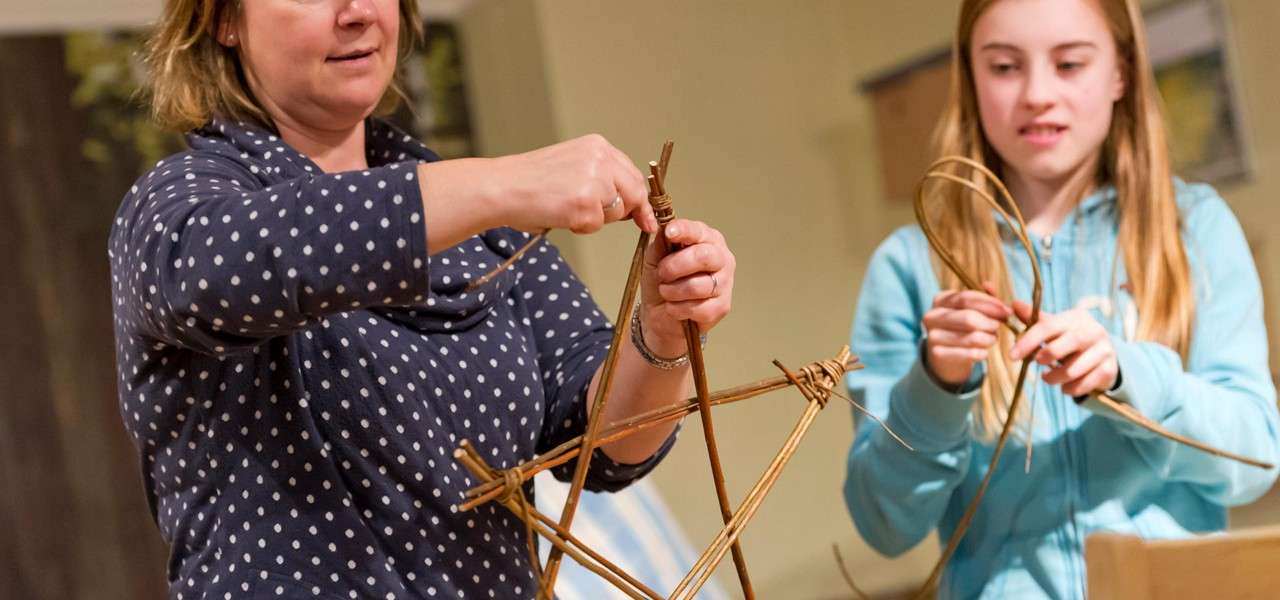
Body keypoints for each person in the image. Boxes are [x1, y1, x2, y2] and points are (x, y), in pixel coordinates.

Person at [110, 1, 737, 598]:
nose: (356, 12)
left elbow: (604, 450)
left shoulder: (488, 228)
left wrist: (659, 336)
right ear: (224, 18)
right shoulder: (182, 202)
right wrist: (506, 182)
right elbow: (222, 270)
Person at [842, 0, 1279, 598]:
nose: (1037, 94)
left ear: (1120, 72)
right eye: (1003, 67)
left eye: (1070, 63)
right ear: (969, 77)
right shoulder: (910, 266)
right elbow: (884, 524)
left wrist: (1129, 376)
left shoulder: (1195, 229)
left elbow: (1254, 459)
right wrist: (935, 387)